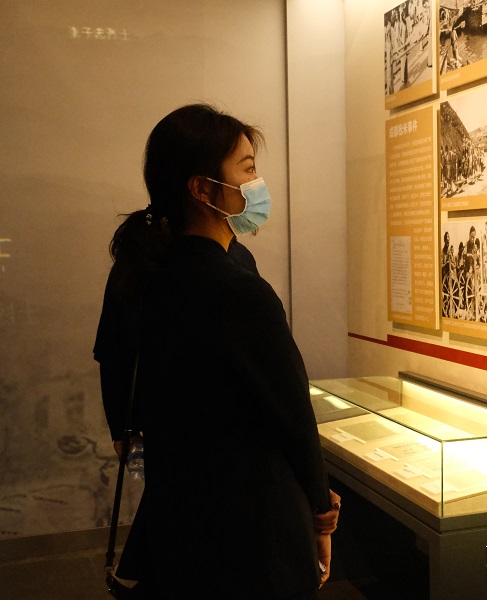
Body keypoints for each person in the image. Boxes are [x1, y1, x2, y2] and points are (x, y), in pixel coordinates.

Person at [94, 104, 339, 599]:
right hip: (251, 529)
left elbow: (114, 357)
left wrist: (123, 427)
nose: (257, 184)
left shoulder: (147, 274)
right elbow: (292, 414)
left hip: (180, 518)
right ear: (202, 189)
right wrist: (322, 512)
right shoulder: (239, 290)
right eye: (247, 170)